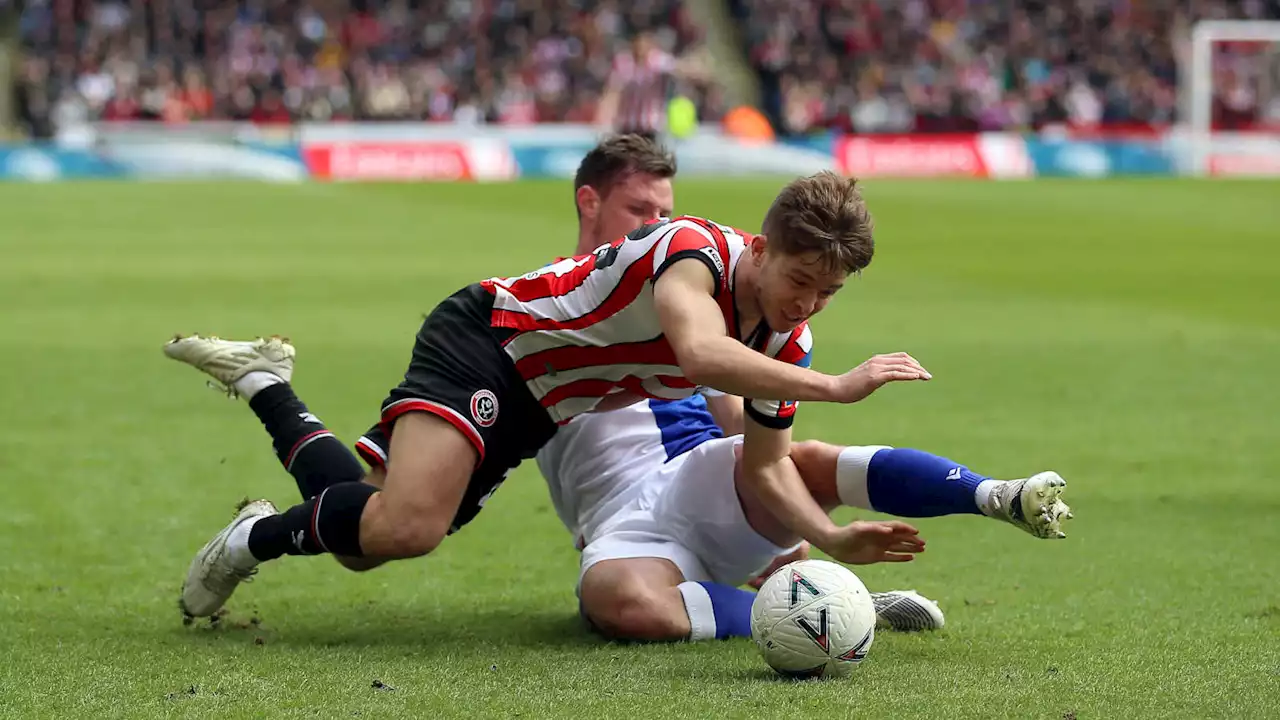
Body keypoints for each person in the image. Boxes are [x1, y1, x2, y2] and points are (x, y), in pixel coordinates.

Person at [166, 144, 937, 622]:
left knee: (370, 536)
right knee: (408, 528)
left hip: (543, 401)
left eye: (829, 295)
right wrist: (832, 387)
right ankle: (252, 539)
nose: (809, 305)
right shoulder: (691, 253)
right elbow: (700, 357)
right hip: (492, 343)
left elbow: (757, 453)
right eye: (802, 281)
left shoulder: (783, 330)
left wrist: (826, 548)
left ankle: (267, 385)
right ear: (762, 249)